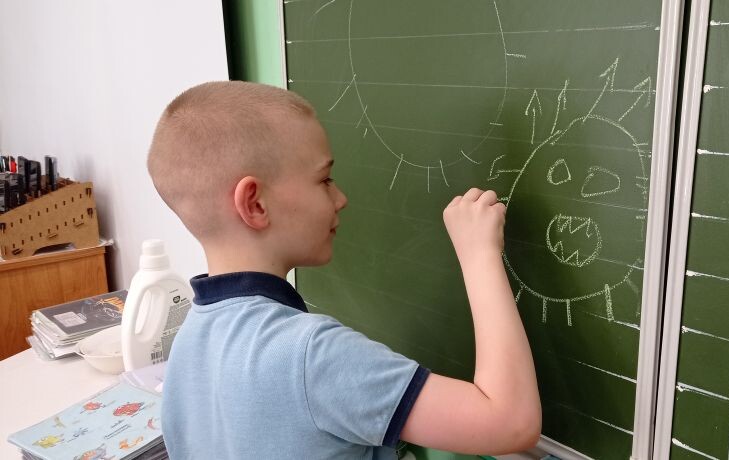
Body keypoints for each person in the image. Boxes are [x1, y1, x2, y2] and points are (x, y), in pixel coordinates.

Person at [147, 81, 541, 459]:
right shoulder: (312, 356)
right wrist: (479, 255)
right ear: (255, 204)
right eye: (324, 180)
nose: (341, 198)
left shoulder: (187, 344)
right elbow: (509, 423)